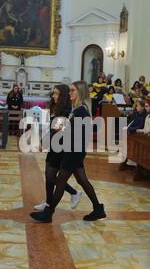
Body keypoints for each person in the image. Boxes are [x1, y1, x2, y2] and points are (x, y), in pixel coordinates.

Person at [30, 81, 106, 223]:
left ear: (80, 93)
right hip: (73, 149)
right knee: (82, 180)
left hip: (74, 151)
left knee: (60, 180)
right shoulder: (76, 109)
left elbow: (84, 131)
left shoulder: (81, 110)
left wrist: (64, 129)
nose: (70, 93)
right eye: (70, 90)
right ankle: (98, 209)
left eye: (73, 90)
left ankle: (48, 213)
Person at [34, 84, 84, 211]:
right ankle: (52, 200)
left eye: (56, 94)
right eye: (53, 93)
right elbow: (51, 128)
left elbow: (57, 131)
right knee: (49, 175)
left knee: (52, 176)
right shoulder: (57, 108)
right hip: (53, 145)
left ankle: (53, 202)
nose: (53, 96)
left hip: (60, 146)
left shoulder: (66, 111)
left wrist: (43, 142)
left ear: (62, 96)